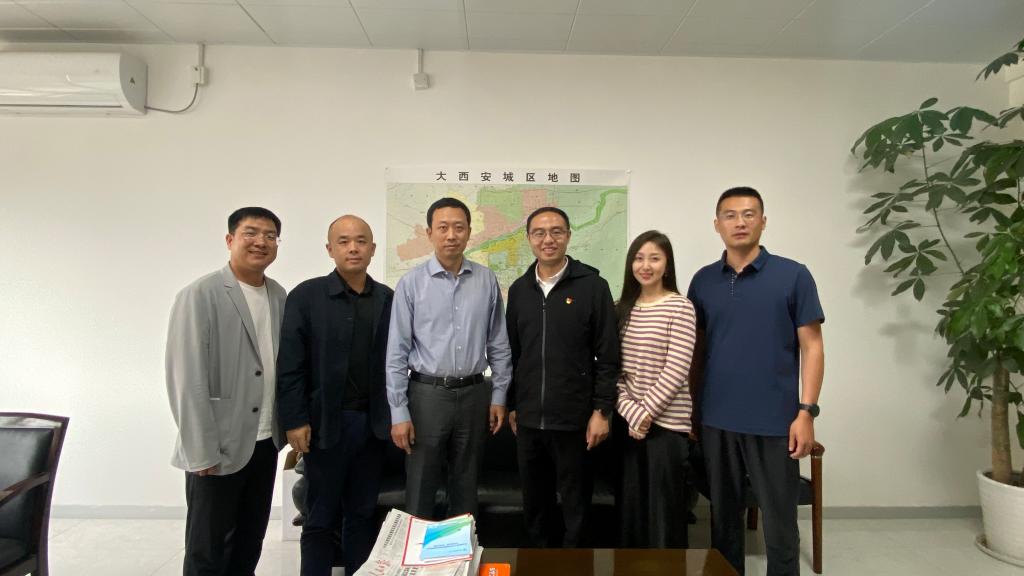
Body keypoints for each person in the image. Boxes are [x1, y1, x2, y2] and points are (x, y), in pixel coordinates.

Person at [687, 187, 825, 576]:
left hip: (775, 420)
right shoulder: (703, 281)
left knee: (779, 523)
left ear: (763, 222)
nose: (740, 222)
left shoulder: (793, 275)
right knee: (724, 520)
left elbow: (813, 347)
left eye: (749, 214)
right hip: (716, 419)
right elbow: (697, 351)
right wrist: (693, 410)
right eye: (730, 215)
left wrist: (806, 412)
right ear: (717, 225)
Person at [166, 207, 286, 576]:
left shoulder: (278, 295)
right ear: (230, 239)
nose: (261, 242)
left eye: (270, 236)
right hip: (217, 445)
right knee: (207, 548)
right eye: (251, 233)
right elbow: (186, 378)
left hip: (264, 441)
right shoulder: (200, 294)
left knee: (249, 541)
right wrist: (199, 449)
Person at [276, 215, 394, 576]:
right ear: (330, 249)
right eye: (343, 241)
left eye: (361, 241)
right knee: (319, 517)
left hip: (372, 426)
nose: (353, 248)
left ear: (373, 249)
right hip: (324, 424)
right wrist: (295, 420)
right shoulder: (306, 296)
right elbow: (290, 366)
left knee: (361, 514)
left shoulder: (387, 299)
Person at [386, 197, 513, 519]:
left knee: (466, 485)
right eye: (443, 227)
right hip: (426, 395)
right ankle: (418, 551)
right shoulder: (411, 284)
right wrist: (399, 411)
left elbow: (498, 343)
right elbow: (396, 352)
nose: (451, 235)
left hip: (474, 394)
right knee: (420, 485)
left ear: (469, 232)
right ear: (429, 233)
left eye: (459, 227)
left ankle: (461, 551)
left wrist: (499, 396)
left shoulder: (486, 280)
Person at [505, 206, 620, 547]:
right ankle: (538, 564)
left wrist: (602, 411)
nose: (548, 239)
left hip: (575, 420)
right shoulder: (520, 290)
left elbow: (608, 355)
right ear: (529, 239)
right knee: (535, 507)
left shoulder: (593, 287)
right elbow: (513, 353)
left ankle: (574, 566)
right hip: (529, 421)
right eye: (539, 233)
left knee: (576, 507)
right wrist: (513, 404)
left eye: (556, 231)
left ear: (568, 235)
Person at [614, 230, 697, 548]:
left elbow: (676, 370)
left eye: (654, 258)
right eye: (639, 258)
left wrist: (646, 413)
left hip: (667, 426)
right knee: (631, 514)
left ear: (667, 265)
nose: (645, 265)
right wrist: (632, 413)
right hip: (628, 424)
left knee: (665, 515)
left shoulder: (680, 307)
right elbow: (612, 370)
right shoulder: (621, 308)